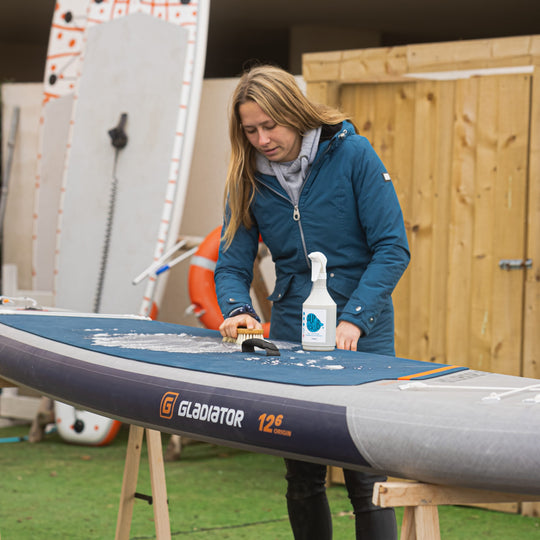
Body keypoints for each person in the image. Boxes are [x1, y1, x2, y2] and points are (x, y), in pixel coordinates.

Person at [214, 64, 410, 540]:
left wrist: (355, 319)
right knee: (302, 476)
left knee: (367, 477)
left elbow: (392, 247)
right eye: (250, 129)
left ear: (294, 113)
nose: (261, 139)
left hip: (362, 333)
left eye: (270, 125)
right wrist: (238, 308)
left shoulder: (353, 154)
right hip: (291, 332)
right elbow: (232, 265)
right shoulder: (247, 176)